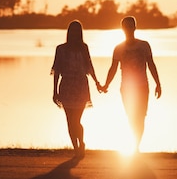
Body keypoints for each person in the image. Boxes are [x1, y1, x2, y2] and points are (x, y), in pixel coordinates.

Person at [100, 16, 162, 153]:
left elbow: (151, 64)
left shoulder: (144, 45)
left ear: (135, 27)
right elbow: (113, 68)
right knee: (131, 116)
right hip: (126, 88)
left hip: (142, 86)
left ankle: (136, 146)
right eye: (125, 26)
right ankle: (134, 144)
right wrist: (106, 85)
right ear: (122, 29)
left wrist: (158, 83)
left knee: (140, 116)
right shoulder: (118, 48)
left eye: (130, 26)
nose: (128, 29)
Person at [51, 20, 102, 158]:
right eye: (72, 31)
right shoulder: (60, 49)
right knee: (69, 120)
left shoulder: (83, 48)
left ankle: (82, 143)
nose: (74, 34)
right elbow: (57, 71)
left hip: (80, 86)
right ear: (69, 32)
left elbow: (89, 66)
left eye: (77, 31)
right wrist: (55, 91)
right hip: (66, 86)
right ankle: (76, 149)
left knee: (76, 121)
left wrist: (97, 82)